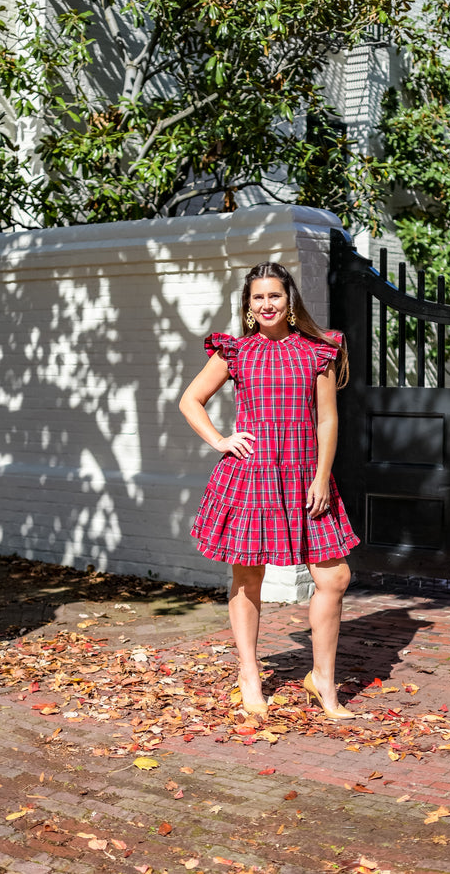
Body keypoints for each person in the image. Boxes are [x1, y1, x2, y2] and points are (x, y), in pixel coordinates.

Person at [179, 262, 360, 719]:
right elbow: (190, 400)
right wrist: (221, 440)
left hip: (304, 474)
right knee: (248, 576)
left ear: (290, 300)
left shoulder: (317, 351)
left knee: (334, 578)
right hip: (253, 475)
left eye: (274, 296)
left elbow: (327, 420)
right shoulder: (235, 352)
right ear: (247, 305)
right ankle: (250, 674)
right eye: (257, 298)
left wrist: (322, 476)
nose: (266, 305)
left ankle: (322, 680)